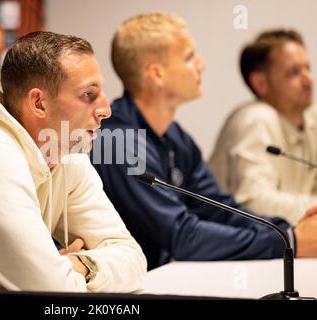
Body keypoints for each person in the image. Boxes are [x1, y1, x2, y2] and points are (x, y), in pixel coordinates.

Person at [90, 12, 317, 270]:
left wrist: (286, 229)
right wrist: (290, 241)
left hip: (159, 279)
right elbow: (182, 236)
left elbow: (219, 208)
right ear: (157, 73)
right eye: (189, 57)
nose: (202, 64)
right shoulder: (117, 142)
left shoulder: (175, 135)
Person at [0, 31, 146, 292]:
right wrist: (61, 271)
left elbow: (133, 258)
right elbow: (54, 291)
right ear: (39, 103)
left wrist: (81, 264)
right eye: (88, 95)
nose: (105, 109)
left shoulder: (65, 154)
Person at [209, 29, 317, 224]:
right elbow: (254, 203)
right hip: (238, 247)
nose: (308, 80)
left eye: (308, 68)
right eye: (294, 72)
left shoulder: (311, 119)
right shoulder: (256, 119)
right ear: (260, 83)